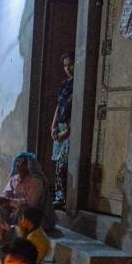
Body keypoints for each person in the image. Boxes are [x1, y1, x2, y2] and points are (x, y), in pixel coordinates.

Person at [0, 152, 55, 237]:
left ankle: (22, 238)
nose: (19, 165)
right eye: (18, 162)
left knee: (23, 210)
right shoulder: (14, 179)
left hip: (34, 211)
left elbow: (31, 202)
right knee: (1, 208)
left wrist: (9, 201)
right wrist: (0, 200)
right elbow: (7, 193)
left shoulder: (36, 181)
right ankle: (2, 237)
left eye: (23, 163)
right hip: (15, 207)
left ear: (29, 165)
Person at [51, 53, 74, 208]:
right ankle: (60, 197)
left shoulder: (79, 84)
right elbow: (59, 105)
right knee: (58, 163)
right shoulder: (65, 84)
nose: (68, 68)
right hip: (59, 127)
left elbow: (77, 108)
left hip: (68, 129)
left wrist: (68, 131)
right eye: (65, 65)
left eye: (70, 64)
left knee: (63, 165)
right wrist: (52, 126)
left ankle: (64, 199)